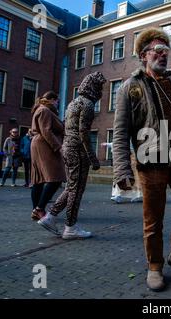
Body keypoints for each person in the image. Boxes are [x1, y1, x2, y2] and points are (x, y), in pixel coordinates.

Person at [112, 28, 171, 292]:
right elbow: (120, 132)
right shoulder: (130, 88)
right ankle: (155, 267)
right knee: (154, 220)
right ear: (144, 56)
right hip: (150, 162)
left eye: (166, 51)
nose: (163, 55)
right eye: (157, 50)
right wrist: (122, 170)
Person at [38, 72, 106, 240]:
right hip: (78, 150)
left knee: (71, 187)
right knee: (77, 189)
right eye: (100, 87)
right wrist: (93, 157)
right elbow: (83, 132)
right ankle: (70, 227)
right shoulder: (88, 104)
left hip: (67, 148)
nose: (101, 91)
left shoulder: (72, 103)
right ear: (94, 87)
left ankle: (50, 217)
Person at [29, 91, 66, 221]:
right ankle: (39, 208)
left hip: (39, 143)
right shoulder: (45, 110)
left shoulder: (41, 109)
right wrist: (58, 147)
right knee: (56, 177)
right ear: (51, 99)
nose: (58, 103)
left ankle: (37, 210)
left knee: (38, 179)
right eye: (57, 101)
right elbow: (46, 130)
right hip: (45, 145)